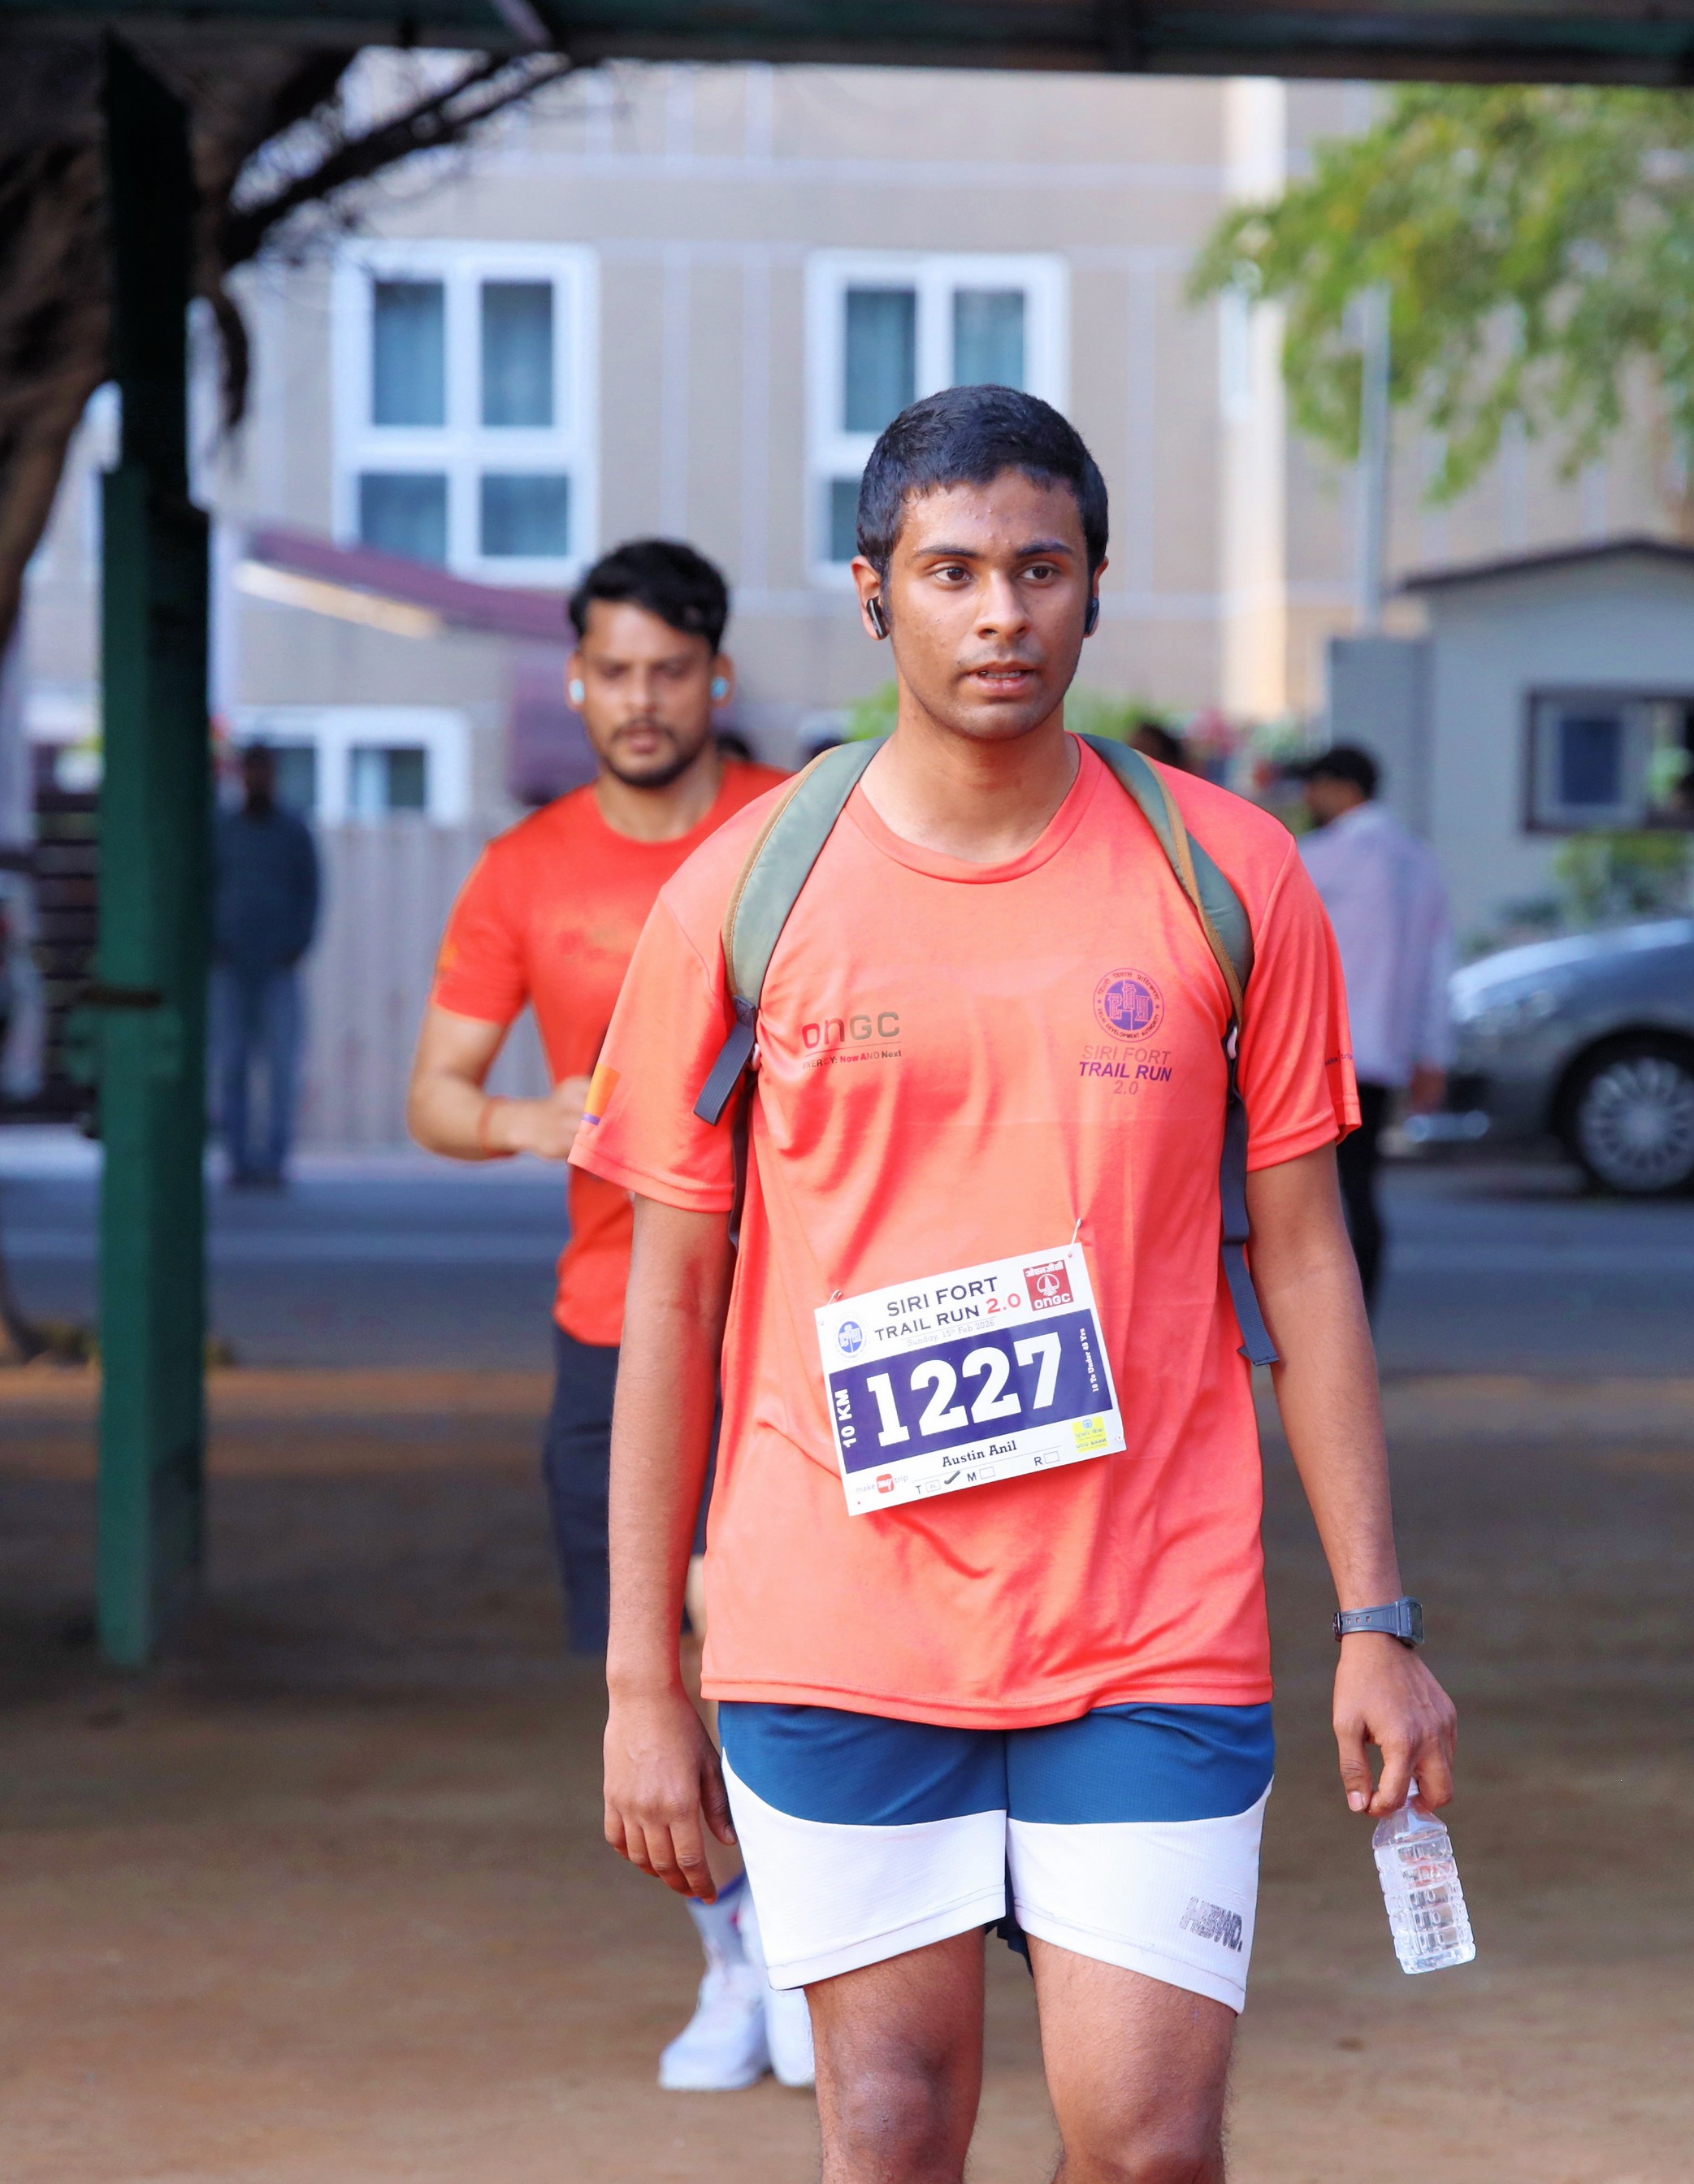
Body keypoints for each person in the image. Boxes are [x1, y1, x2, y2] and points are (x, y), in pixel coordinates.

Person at [580, 387, 1456, 2182]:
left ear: (1096, 586)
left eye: (1040, 569)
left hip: (1150, 1622)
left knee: (1151, 2146)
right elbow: (668, 1301)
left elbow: (1307, 1261)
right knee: (894, 2131)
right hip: (836, 1624)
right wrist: (638, 1678)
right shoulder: (744, 893)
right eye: (952, 571)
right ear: (872, 591)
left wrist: (1377, 1617)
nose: (1001, 613)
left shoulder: (1230, 875)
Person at [405, 539, 799, 2091]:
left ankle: (816, 1944)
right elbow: (437, 1095)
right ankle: (737, 1950)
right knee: (664, 1644)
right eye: (613, 672)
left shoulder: (798, 828)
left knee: (764, 1637)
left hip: (799, 1314)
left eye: (669, 671)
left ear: (716, 676)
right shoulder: (526, 867)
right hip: (618, 1318)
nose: (641, 700)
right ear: (574, 681)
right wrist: (541, 1118)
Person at [1293, 744, 1454, 1308]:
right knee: (1360, 1190)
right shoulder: (1419, 861)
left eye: (1313, 787)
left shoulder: (1318, 857)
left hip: (1314, 1053)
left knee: (1301, 1198)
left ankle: (1318, 1323)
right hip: (1381, 1054)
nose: (1308, 799)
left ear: (1339, 787)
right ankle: (1360, 1323)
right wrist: (1434, 1054)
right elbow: (1437, 968)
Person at [210, 743, 319, 1190]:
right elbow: (207, 886)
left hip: (277, 964)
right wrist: (215, 942)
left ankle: (275, 1160)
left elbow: (310, 890)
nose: (258, 779)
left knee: (280, 1067)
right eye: (251, 771)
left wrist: (297, 944)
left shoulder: (292, 831)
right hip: (232, 963)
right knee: (231, 1064)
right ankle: (238, 1159)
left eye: (265, 771)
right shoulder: (226, 829)